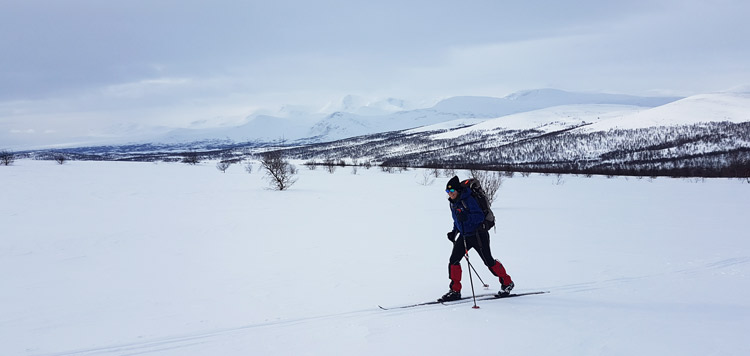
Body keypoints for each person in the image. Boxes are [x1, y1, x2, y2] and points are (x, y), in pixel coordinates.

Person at [438, 176, 514, 302]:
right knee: (454, 261)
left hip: (479, 234)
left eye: (452, 192)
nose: (450, 194)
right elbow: (457, 220)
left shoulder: (468, 199)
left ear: (458, 191)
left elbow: (479, 216)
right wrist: (454, 232)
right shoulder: (453, 203)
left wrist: (466, 218)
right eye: (447, 192)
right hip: (464, 236)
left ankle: (507, 283)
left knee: (489, 261)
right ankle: (455, 290)